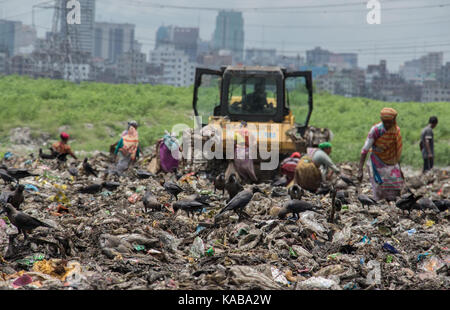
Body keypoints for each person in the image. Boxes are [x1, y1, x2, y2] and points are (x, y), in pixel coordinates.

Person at [357, 107, 404, 202]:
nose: (387, 124)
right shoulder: (376, 130)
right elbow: (365, 150)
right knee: (379, 187)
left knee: (396, 186)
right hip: (377, 162)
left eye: (389, 122)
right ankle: (380, 207)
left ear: (394, 120)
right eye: (385, 122)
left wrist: (400, 168)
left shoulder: (395, 131)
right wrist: (360, 169)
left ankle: (392, 206)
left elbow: (395, 151)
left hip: (392, 163)